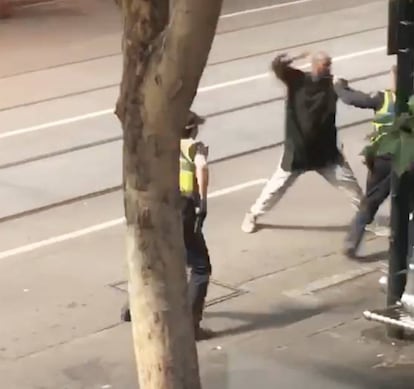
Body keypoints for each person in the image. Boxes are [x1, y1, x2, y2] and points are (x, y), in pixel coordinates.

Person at [241, 51, 363, 233]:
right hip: (298, 150)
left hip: (325, 151)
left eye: (329, 65)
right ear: (314, 65)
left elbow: (347, 92)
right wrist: (296, 57)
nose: (327, 69)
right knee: (276, 187)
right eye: (324, 65)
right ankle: (253, 214)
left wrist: (341, 85)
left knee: (350, 186)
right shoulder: (297, 80)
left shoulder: (333, 83)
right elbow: (277, 66)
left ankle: (367, 217)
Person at [121, 111, 214, 341]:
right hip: (183, 208)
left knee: (155, 259)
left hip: (158, 207)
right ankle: (192, 324)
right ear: (192, 129)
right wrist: (202, 202)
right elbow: (201, 168)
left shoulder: (160, 147)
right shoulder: (194, 147)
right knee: (200, 267)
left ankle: (133, 308)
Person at [334, 66, 396, 258]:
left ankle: (352, 241)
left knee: (370, 202)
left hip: (381, 160)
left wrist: (339, 86)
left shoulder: (383, 98)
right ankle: (405, 245)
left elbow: (353, 99)